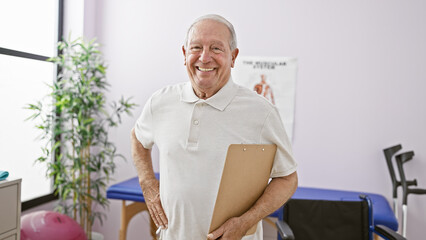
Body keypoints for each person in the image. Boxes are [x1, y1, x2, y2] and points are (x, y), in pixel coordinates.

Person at [131, 14, 298, 240]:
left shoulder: (262, 113)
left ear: (233, 56)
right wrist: (148, 184)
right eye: (196, 47)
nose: (204, 57)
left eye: (216, 49)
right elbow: (138, 138)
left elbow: (287, 178)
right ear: (184, 54)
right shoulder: (161, 102)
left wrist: (246, 221)